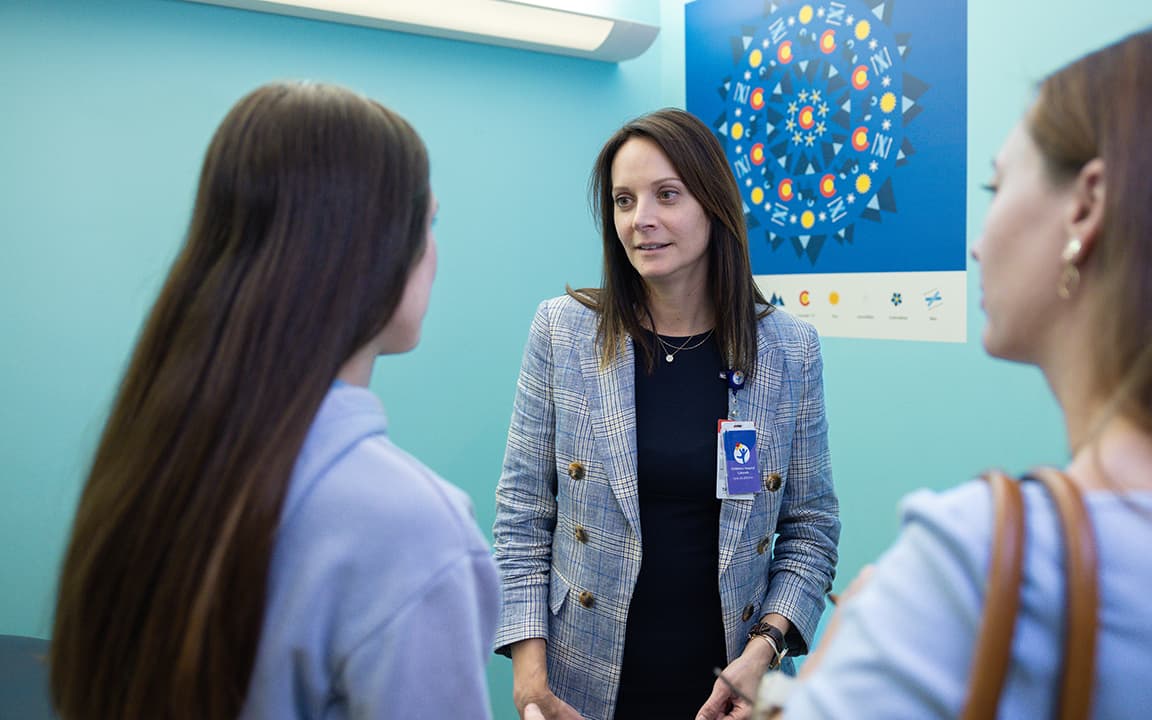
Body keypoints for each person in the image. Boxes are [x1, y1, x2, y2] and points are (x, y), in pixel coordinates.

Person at [780, 22, 1152, 718]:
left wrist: (843, 650)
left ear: (1087, 204)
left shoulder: (985, 569)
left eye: (996, 185)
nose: (979, 246)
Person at [47, 82, 499, 719]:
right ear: (368, 247)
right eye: (427, 223)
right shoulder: (413, 531)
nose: (433, 251)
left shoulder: (153, 458)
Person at [492, 108, 841, 720]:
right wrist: (529, 679)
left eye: (667, 195)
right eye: (624, 201)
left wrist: (764, 651)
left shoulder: (789, 350)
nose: (641, 220)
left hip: (729, 687)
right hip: (580, 686)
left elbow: (810, 530)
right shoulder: (563, 332)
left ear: (713, 206)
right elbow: (522, 519)